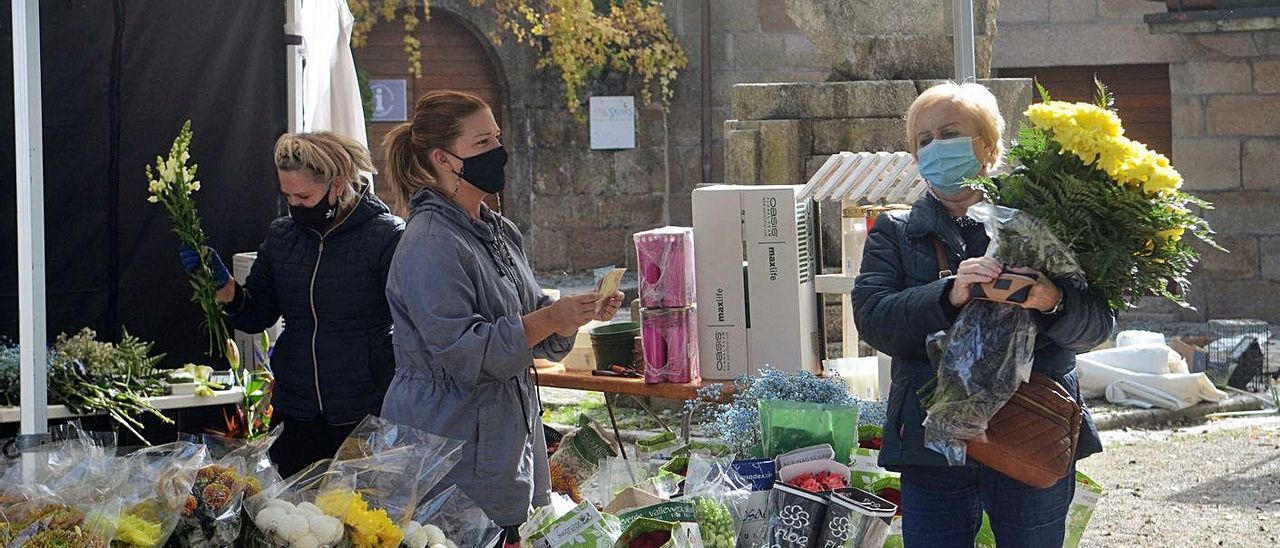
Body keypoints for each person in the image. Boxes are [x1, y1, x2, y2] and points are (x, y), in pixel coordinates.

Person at [852, 82, 1115, 547]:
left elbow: (1098, 326)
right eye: (924, 140)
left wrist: (1052, 300)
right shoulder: (895, 231)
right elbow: (874, 320)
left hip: (1033, 428)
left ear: (989, 147)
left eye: (949, 133)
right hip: (932, 443)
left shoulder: (1049, 222)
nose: (936, 147)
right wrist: (949, 293)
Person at [378, 90, 621, 546]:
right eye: (483, 143)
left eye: (497, 138)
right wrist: (550, 318)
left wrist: (573, 316)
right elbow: (463, 352)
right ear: (443, 158)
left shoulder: (499, 230)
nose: (498, 152)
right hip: (446, 439)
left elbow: (536, 329)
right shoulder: (431, 243)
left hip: (504, 432)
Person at [179, 132, 404, 478]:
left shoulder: (386, 236)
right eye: (287, 197)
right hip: (294, 410)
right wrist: (222, 286)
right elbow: (256, 314)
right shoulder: (282, 237)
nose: (295, 206)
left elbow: (408, 324)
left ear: (337, 184)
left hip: (364, 413)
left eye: (304, 196)